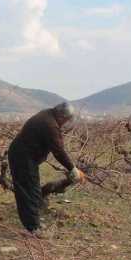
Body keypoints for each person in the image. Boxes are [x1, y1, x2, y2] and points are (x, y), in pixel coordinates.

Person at [8, 102, 85, 238]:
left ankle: (32, 224)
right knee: (30, 191)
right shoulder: (50, 125)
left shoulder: (48, 115)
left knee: (31, 190)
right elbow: (58, 151)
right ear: (62, 117)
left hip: (23, 155)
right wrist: (72, 169)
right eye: (66, 120)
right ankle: (33, 229)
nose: (66, 123)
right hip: (23, 157)